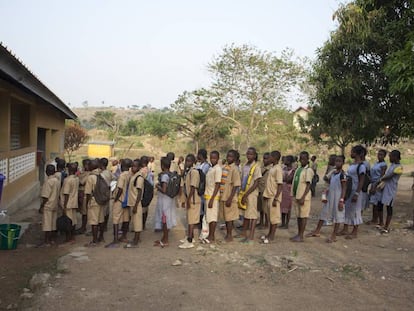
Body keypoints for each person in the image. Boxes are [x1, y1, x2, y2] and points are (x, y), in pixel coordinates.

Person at [306, 155, 347, 242]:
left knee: (337, 216)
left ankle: (334, 235)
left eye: (339, 161)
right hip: (330, 197)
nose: (337, 163)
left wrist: (341, 200)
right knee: (323, 213)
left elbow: (344, 188)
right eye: (336, 161)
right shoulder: (333, 173)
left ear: (343, 163)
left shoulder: (342, 175)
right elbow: (329, 183)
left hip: (338, 198)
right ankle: (317, 231)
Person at [339, 145, 366, 239]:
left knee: (355, 210)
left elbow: (361, 180)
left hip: (355, 191)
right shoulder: (352, 165)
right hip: (349, 191)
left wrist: (357, 193)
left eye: (353, 152)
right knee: (347, 209)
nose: (351, 153)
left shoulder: (361, 166)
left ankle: (355, 231)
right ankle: (345, 228)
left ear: (358, 154)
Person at [106, 158, 132, 248]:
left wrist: (116, 199)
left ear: (121, 165)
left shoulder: (122, 176)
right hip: (127, 200)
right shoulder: (130, 174)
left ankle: (115, 240)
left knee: (116, 219)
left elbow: (120, 188)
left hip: (120, 199)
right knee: (126, 219)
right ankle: (124, 236)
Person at [239, 147, 262, 243]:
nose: (249, 156)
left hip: (251, 193)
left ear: (255, 155)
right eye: (247, 154)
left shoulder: (256, 167)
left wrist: (246, 194)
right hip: (244, 192)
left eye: (251, 154)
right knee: (245, 213)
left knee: (252, 215)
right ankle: (244, 233)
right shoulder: (245, 165)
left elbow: (256, 183)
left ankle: (251, 236)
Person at [290, 151, 314, 242]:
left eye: (304, 158)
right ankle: (298, 233)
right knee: (298, 216)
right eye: (301, 158)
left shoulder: (309, 170)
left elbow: (308, 185)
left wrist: (303, 197)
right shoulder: (299, 169)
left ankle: (301, 235)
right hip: (297, 195)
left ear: (307, 159)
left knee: (303, 216)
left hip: (303, 197)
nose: (302, 160)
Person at [378, 150, 403, 234]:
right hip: (386, 188)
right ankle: (381, 222)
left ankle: (386, 226)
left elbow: (389, 176)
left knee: (389, 207)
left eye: (391, 156)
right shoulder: (392, 165)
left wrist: (380, 179)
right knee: (380, 204)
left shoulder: (399, 167)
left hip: (391, 189)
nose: (389, 158)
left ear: (395, 157)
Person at [219, 150, 241, 242]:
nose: (229, 158)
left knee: (229, 218)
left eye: (231, 157)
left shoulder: (234, 169)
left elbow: (236, 185)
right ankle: (228, 233)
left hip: (229, 197)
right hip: (223, 195)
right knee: (225, 216)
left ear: (235, 158)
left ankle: (229, 235)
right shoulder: (225, 167)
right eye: (228, 156)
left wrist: (230, 198)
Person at [154, 157, 177, 247]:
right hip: (169, 199)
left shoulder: (164, 176)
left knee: (164, 219)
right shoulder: (171, 174)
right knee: (166, 218)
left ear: (162, 165)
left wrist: (157, 186)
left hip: (164, 200)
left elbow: (164, 190)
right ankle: (164, 238)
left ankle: (166, 239)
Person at [179, 154, 201, 249]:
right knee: (189, 219)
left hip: (194, 199)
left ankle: (190, 241)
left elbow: (193, 187)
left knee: (192, 220)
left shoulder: (194, 172)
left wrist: (188, 200)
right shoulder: (189, 171)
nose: (187, 163)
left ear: (193, 162)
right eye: (186, 161)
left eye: (189, 161)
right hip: (190, 198)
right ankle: (189, 236)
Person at [261, 151, 283, 244]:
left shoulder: (278, 169)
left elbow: (280, 184)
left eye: (270, 157)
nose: (268, 159)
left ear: (274, 158)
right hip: (269, 195)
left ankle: (272, 236)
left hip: (274, 196)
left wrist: (276, 198)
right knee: (270, 217)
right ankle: (269, 234)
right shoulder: (272, 168)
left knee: (274, 218)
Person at [84, 159, 105, 246]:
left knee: (94, 221)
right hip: (101, 199)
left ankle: (94, 240)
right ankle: (101, 237)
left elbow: (88, 192)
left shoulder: (90, 177)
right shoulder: (101, 175)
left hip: (93, 200)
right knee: (100, 220)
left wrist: (87, 203)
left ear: (92, 167)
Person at [38, 164, 60, 247]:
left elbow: (45, 197)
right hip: (55, 204)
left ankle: (46, 241)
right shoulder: (57, 180)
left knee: (47, 224)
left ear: (47, 172)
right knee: (53, 224)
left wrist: (41, 206)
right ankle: (51, 240)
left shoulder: (48, 182)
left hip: (48, 205)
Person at [124, 159, 144, 248]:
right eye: (132, 166)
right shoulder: (134, 176)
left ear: (139, 167)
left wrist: (136, 205)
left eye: (135, 166)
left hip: (136, 203)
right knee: (135, 222)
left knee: (137, 223)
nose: (133, 168)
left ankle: (136, 241)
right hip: (132, 201)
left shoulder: (139, 177)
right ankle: (136, 238)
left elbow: (139, 192)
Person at [204, 151, 222, 244]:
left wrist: (212, 199)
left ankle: (212, 236)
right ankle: (210, 235)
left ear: (218, 158)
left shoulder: (218, 169)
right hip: (208, 195)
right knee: (209, 217)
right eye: (211, 158)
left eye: (214, 158)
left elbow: (217, 184)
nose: (212, 159)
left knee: (213, 217)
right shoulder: (211, 168)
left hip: (213, 197)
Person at [367, 150, 387, 226]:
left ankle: (377, 219)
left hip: (378, 185)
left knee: (377, 203)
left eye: (381, 155)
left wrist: (375, 186)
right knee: (374, 203)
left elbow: (382, 177)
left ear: (384, 156)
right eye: (378, 154)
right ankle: (374, 219)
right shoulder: (376, 163)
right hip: (373, 183)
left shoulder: (383, 165)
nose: (379, 156)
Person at [60, 163, 79, 243]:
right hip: (74, 202)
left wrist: (64, 206)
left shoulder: (67, 180)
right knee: (73, 221)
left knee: (68, 221)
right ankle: (73, 236)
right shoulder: (76, 179)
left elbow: (66, 194)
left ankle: (68, 237)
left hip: (68, 203)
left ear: (69, 169)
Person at [196, 148, 211, 240]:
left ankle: (202, 225)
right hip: (198, 188)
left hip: (203, 188)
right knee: (199, 207)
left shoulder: (206, 166)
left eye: (199, 155)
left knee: (202, 207)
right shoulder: (199, 164)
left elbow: (203, 177)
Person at [76, 159, 91, 234]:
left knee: (85, 211)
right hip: (81, 193)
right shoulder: (84, 172)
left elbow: (82, 182)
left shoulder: (89, 174)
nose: (85, 166)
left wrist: (77, 177)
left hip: (85, 194)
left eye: (87, 164)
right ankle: (83, 226)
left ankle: (83, 227)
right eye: (84, 164)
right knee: (82, 211)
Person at [257, 152, 272, 229]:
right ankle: (261, 222)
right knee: (260, 208)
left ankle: (267, 223)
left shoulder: (271, 169)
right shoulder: (261, 167)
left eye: (266, 158)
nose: (264, 160)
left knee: (265, 208)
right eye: (264, 158)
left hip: (266, 190)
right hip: (259, 189)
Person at [280, 155, 295, 229]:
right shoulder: (284, 168)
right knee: (282, 207)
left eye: (285, 160)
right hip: (283, 189)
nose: (284, 161)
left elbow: (288, 179)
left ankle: (286, 224)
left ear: (289, 161)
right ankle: (283, 223)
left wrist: (284, 178)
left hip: (289, 189)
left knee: (288, 208)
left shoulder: (293, 170)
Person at [100, 158, 113, 232]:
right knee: (107, 210)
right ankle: (105, 226)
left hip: (102, 193)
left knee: (102, 211)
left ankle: (102, 227)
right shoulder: (109, 172)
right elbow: (114, 179)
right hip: (108, 193)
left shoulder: (101, 174)